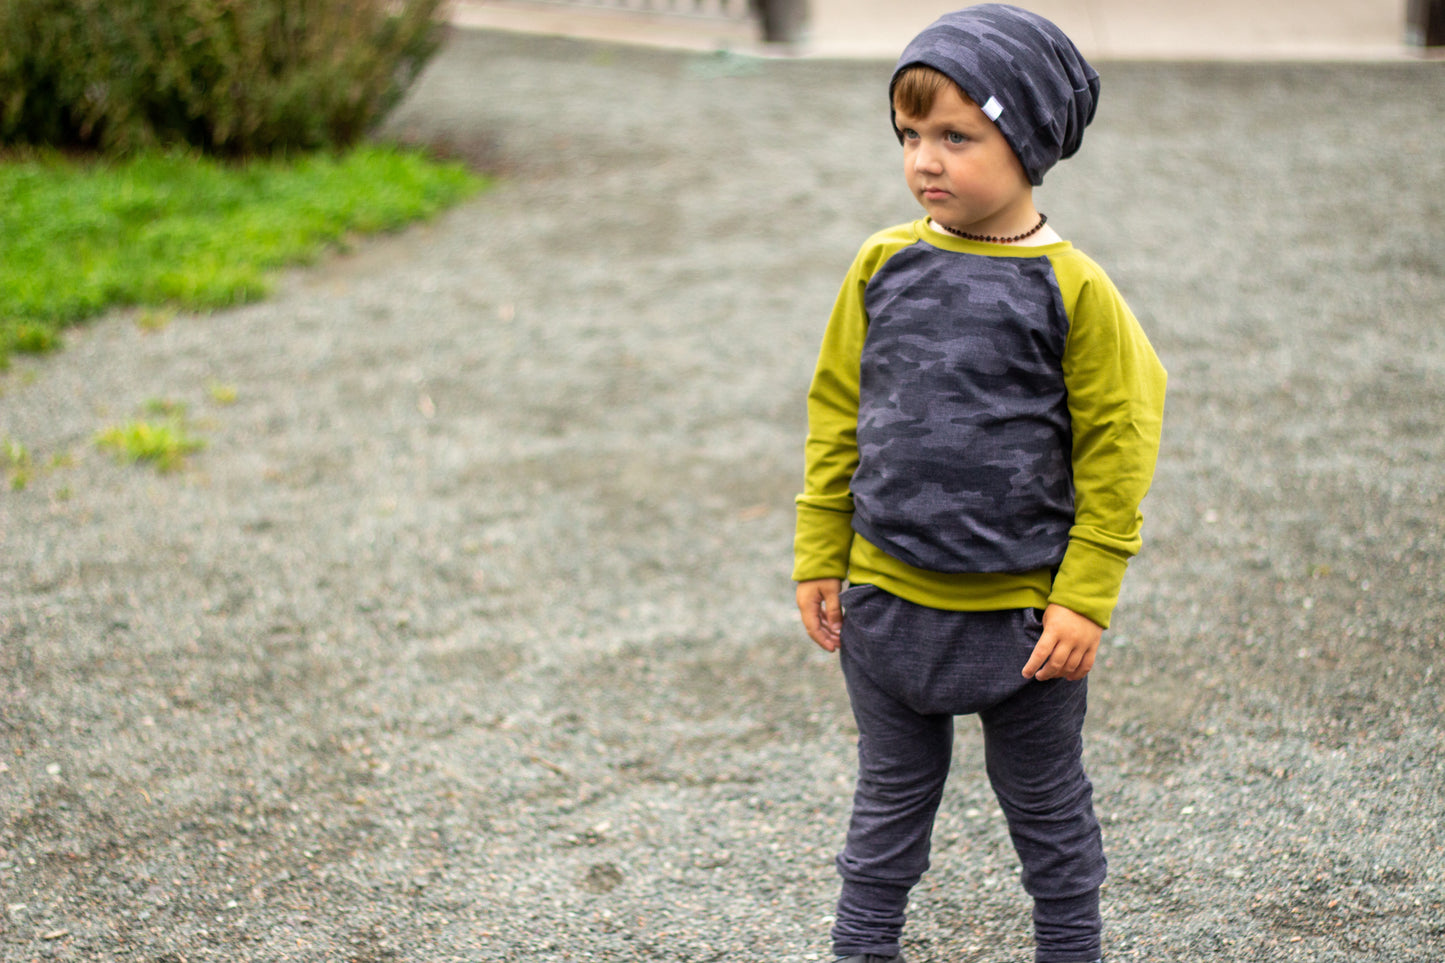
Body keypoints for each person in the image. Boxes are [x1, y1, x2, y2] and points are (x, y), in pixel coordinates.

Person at [791, 6, 1167, 962]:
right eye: (909, 134)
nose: (925, 159)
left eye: (956, 135)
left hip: (1026, 620)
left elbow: (1119, 442)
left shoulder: (1072, 288)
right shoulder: (883, 264)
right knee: (885, 810)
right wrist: (819, 552)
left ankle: (1069, 948)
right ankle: (862, 946)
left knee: (1046, 813)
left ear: (1029, 139)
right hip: (884, 601)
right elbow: (838, 412)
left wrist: (1085, 595)